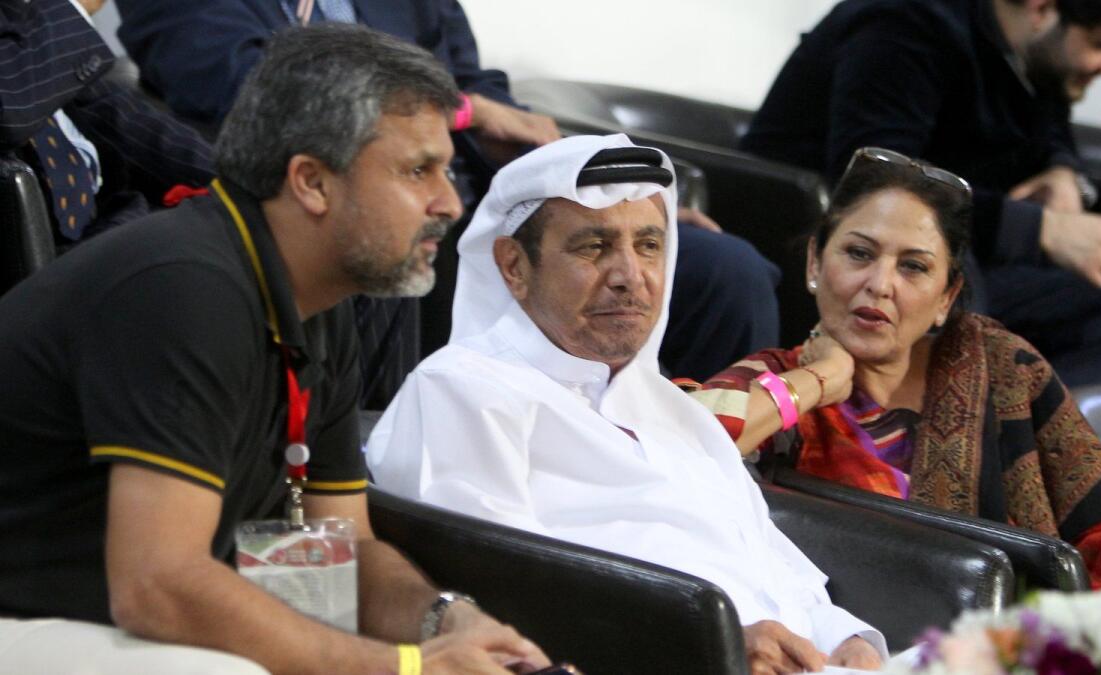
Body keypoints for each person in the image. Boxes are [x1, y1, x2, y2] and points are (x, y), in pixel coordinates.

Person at [0, 24, 550, 674]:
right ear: (312, 181)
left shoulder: (318, 299)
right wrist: (407, 667)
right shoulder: (184, 289)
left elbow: (342, 546)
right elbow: (158, 585)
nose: (450, 201)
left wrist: (451, 625)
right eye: (416, 170)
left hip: (112, 615)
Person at [367, 134, 887, 673]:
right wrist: (713, 646)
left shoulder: (676, 409)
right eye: (593, 246)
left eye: (648, 245)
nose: (629, 277)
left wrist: (850, 638)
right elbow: (506, 602)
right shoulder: (464, 390)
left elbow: (772, 564)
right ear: (514, 266)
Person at [113, 0, 783, 393]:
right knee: (397, 246)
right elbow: (245, 88)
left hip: (483, 198)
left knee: (722, 272)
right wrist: (466, 112)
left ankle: (694, 478)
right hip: (363, 210)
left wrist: (619, 204)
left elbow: (478, 78)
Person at [683, 147, 1101, 597]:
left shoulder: (1003, 367)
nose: (880, 283)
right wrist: (818, 381)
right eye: (859, 253)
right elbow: (678, 443)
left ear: (946, 298)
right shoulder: (782, 382)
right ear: (815, 263)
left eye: (914, 266)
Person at [741, 0, 1101, 388]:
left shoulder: (1034, 58)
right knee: (947, 275)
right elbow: (879, 179)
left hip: (951, 253)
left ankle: (1053, 465)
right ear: (1041, 7)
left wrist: (1064, 172)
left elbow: (1053, 130)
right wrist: (1040, 230)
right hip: (815, 241)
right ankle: (945, 459)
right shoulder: (903, 26)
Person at [0, 0, 211, 245]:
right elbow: (9, 108)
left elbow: (117, 114)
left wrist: (234, 180)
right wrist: (78, 5)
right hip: (58, 258)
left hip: (114, 221)